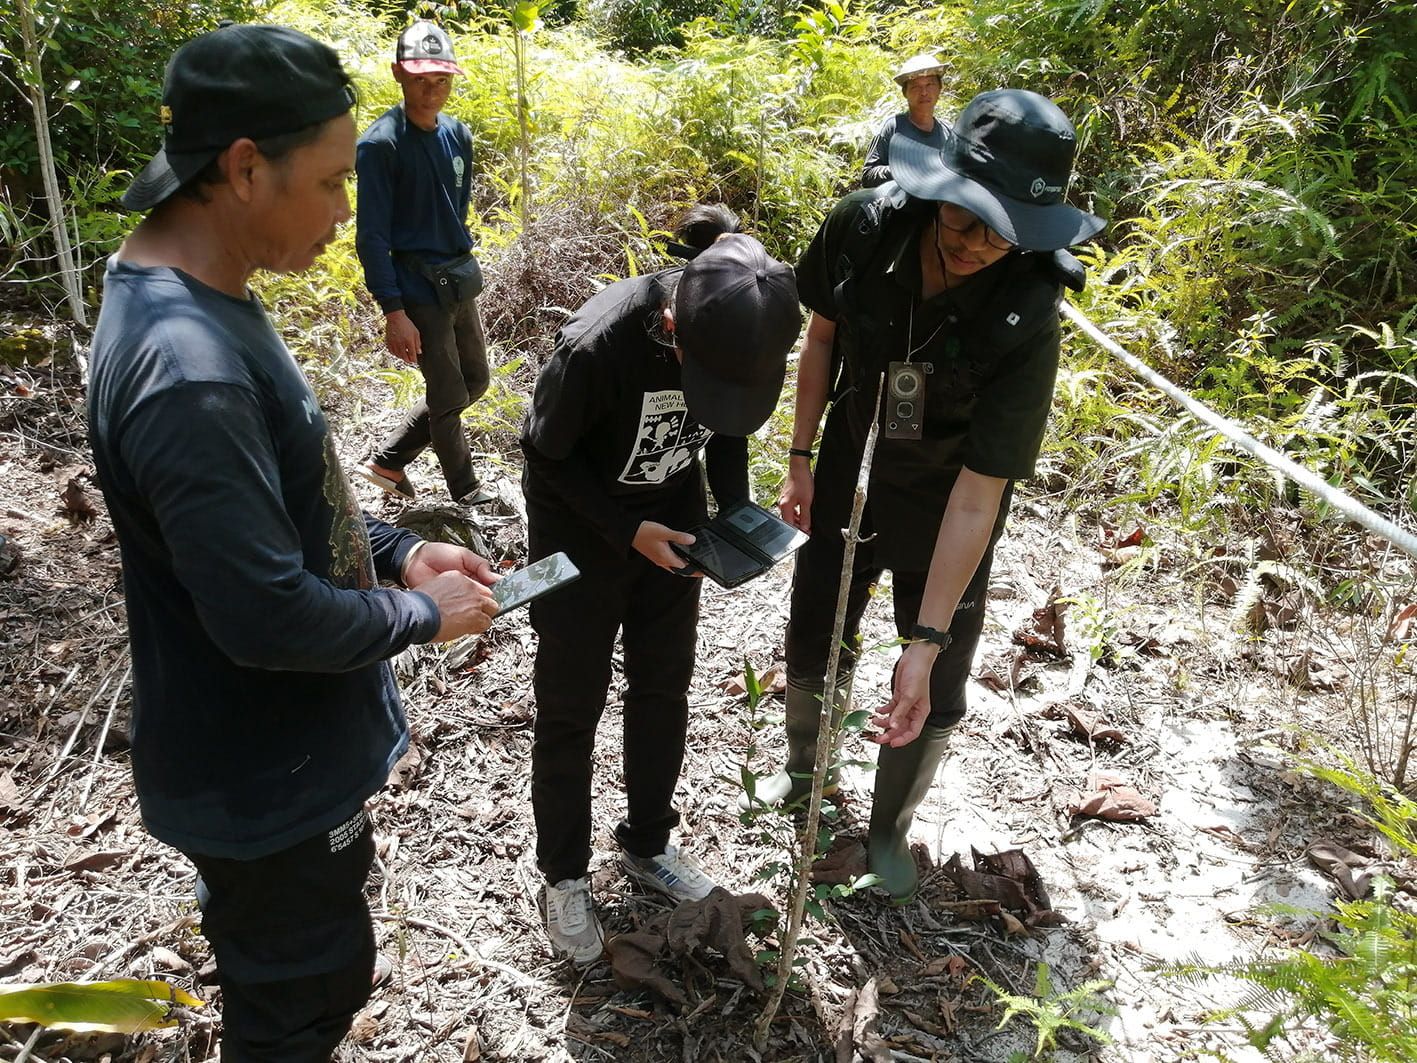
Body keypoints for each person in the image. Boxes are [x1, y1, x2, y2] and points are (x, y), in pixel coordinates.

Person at [89, 24, 501, 1060]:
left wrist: (402, 551)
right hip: (261, 777)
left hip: (268, 760)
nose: (343, 211)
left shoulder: (200, 299)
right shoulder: (190, 370)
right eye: (326, 183)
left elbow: (276, 508)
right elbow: (262, 612)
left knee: (303, 976)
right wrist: (420, 614)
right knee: (298, 1002)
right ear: (241, 169)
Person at [764, 89, 1106, 904]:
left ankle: (886, 828)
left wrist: (921, 640)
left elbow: (980, 492)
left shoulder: (1029, 308)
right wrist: (801, 456)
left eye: (1002, 230)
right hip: (849, 457)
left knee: (939, 667)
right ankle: (803, 767)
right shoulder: (863, 225)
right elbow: (821, 338)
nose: (976, 244)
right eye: (962, 219)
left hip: (948, 491)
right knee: (817, 619)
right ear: (936, 187)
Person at [520, 205, 801, 965]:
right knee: (570, 708)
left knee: (662, 687)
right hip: (580, 538)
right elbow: (543, 455)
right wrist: (622, 531)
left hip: (671, 529)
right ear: (675, 325)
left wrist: (735, 519)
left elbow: (729, 429)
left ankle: (647, 841)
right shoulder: (597, 343)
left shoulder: (740, 328)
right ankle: (565, 877)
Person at [354, 20, 493, 506]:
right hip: (417, 287)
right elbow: (370, 236)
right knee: (449, 396)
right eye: (419, 80)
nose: (431, 91)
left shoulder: (457, 135)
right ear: (398, 74)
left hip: (457, 279)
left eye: (441, 80)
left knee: (474, 380)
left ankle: (387, 461)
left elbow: (459, 206)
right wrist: (394, 310)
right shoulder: (381, 145)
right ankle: (466, 490)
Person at [860, 53, 947, 189]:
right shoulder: (893, 128)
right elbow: (868, 176)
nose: (924, 92)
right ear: (905, 93)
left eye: (930, 85)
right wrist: (905, 170)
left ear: (940, 88)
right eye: (916, 87)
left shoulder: (948, 133)